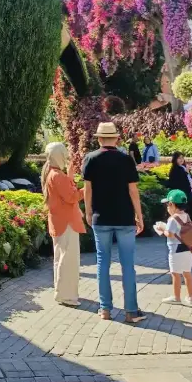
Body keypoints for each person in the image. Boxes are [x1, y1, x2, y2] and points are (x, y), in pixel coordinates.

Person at [83, 122, 146, 323]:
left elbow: (88, 189)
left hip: (101, 218)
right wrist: (139, 215)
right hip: (125, 217)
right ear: (116, 139)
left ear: (99, 138)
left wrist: (88, 211)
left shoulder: (90, 159)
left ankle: (105, 309)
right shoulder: (126, 160)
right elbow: (133, 191)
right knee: (128, 265)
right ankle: (131, 311)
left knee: (103, 263)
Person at [41, 142, 85, 307]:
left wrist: (70, 177)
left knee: (61, 259)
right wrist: (89, 188)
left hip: (60, 222)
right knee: (68, 261)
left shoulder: (52, 173)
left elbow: (66, 193)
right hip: (66, 223)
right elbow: (72, 197)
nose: (66, 157)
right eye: (64, 155)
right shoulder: (57, 175)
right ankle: (67, 296)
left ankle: (62, 293)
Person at [154, 189, 192, 306]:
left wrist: (161, 229)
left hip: (175, 250)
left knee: (175, 273)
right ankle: (191, 297)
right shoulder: (186, 216)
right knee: (187, 272)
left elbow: (170, 234)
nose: (167, 207)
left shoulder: (172, 219)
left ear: (171, 204)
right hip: (188, 248)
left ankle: (176, 297)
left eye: (167, 204)